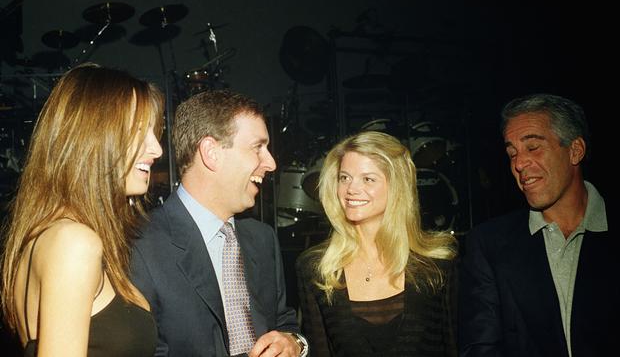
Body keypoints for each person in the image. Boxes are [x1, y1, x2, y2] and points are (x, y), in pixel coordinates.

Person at [458, 94, 620, 356]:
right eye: (512, 153)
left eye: (533, 147)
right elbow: (480, 347)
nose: (519, 164)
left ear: (575, 151)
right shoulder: (489, 244)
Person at [0, 63, 163, 356]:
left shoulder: (50, 235)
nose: (156, 149)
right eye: (140, 130)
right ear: (94, 135)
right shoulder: (74, 242)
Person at [130, 90, 307, 357]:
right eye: (257, 147)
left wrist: (294, 343)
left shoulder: (263, 239)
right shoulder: (138, 244)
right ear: (211, 152)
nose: (270, 163)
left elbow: (285, 325)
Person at [296, 131, 458, 356]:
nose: (351, 189)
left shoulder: (437, 264)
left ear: (397, 187)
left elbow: (455, 347)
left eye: (368, 179)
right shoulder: (318, 269)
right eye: (344, 178)